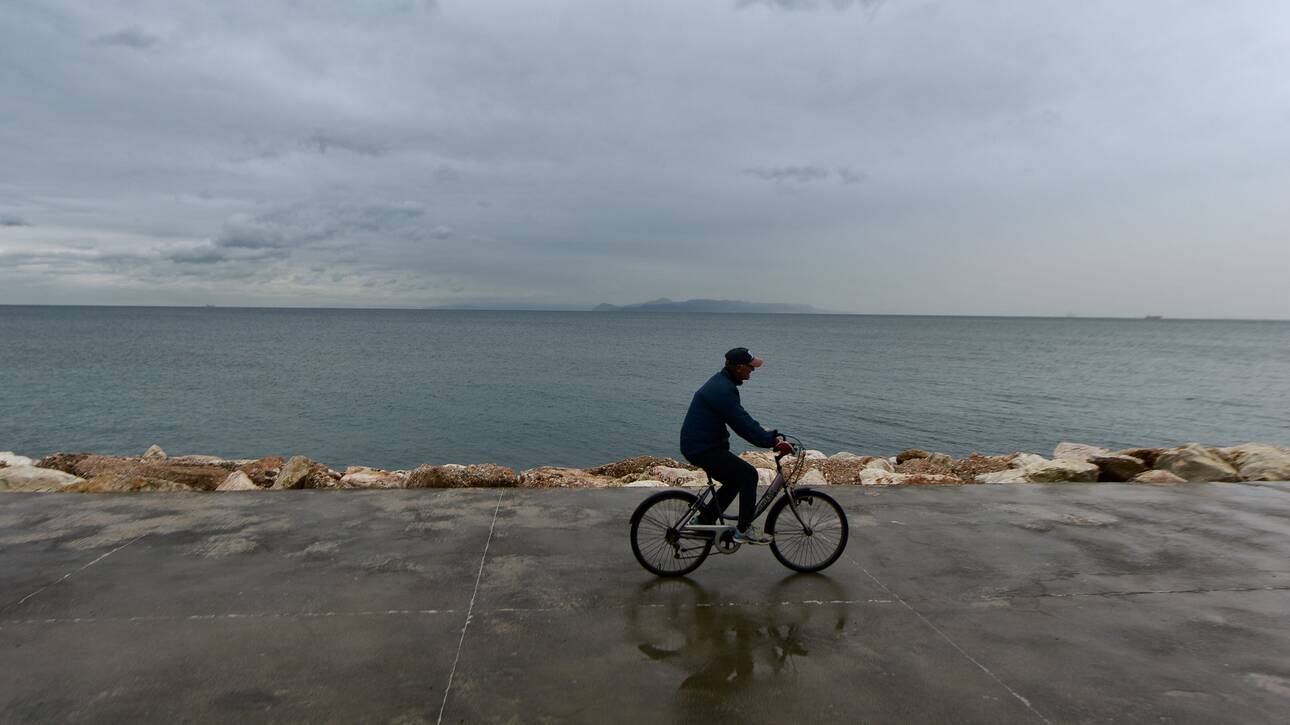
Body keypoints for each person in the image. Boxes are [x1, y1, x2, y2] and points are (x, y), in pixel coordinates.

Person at [680, 347, 793, 545]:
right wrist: (772, 442)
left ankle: (705, 519)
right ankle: (744, 529)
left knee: (734, 481)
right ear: (739, 367)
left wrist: (770, 434)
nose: (753, 371)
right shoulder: (723, 390)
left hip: (702, 444)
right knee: (748, 475)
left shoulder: (723, 384)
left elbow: (741, 418)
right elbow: (742, 424)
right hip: (702, 448)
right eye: (750, 367)